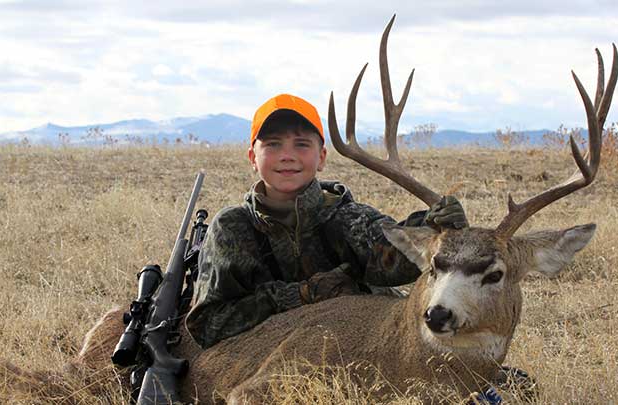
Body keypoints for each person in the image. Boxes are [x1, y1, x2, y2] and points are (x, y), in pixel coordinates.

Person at [185, 94, 467, 349]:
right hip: (274, 358)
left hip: (364, 344)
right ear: (252, 158)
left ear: (321, 158)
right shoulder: (232, 228)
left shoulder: (345, 216)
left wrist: (434, 227)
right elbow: (209, 325)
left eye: (301, 144)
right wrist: (300, 295)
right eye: (273, 144)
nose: (287, 155)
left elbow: (395, 260)